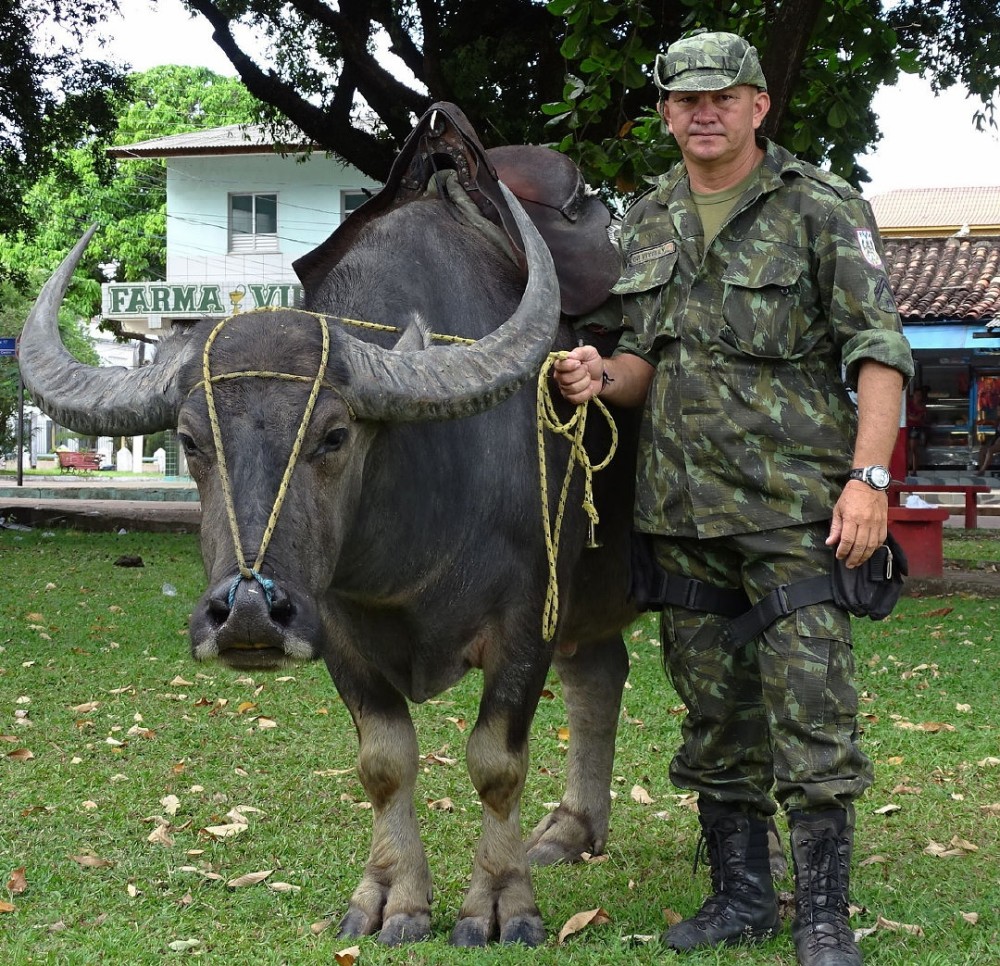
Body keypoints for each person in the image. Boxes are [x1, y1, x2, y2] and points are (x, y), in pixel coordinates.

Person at [554, 31, 913, 966]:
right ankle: (741, 896)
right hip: (682, 517)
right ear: (668, 114)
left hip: (800, 512)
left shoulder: (821, 208)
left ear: (759, 106)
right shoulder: (648, 219)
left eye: (724, 96)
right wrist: (602, 373)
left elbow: (877, 352)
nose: (704, 112)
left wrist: (869, 482)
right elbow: (645, 359)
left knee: (812, 711)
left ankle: (824, 913)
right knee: (715, 717)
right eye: (686, 100)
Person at [906, 385, 928, 475]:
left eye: (920, 395)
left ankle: (914, 470)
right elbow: (909, 416)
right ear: (913, 395)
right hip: (908, 428)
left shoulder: (922, 407)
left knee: (913, 449)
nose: (918, 396)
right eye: (917, 394)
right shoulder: (908, 404)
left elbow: (916, 418)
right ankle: (908, 468)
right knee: (908, 449)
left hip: (915, 428)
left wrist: (910, 417)